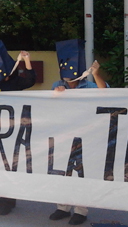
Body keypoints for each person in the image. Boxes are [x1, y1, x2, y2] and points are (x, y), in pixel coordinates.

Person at [48, 39, 107, 225]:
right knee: (62, 172)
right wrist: (56, 95)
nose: (67, 79)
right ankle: (62, 207)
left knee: (81, 173)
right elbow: (48, 106)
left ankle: (81, 211)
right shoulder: (57, 85)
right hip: (64, 135)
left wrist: (96, 74)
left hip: (85, 136)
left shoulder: (89, 86)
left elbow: (105, 93)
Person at [0, 40, 36, 215]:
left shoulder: (17, 82)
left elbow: (31, 80)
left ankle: (9, 200)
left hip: (13, 130)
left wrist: (27, 60)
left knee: (11, 164)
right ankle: (2, 196)